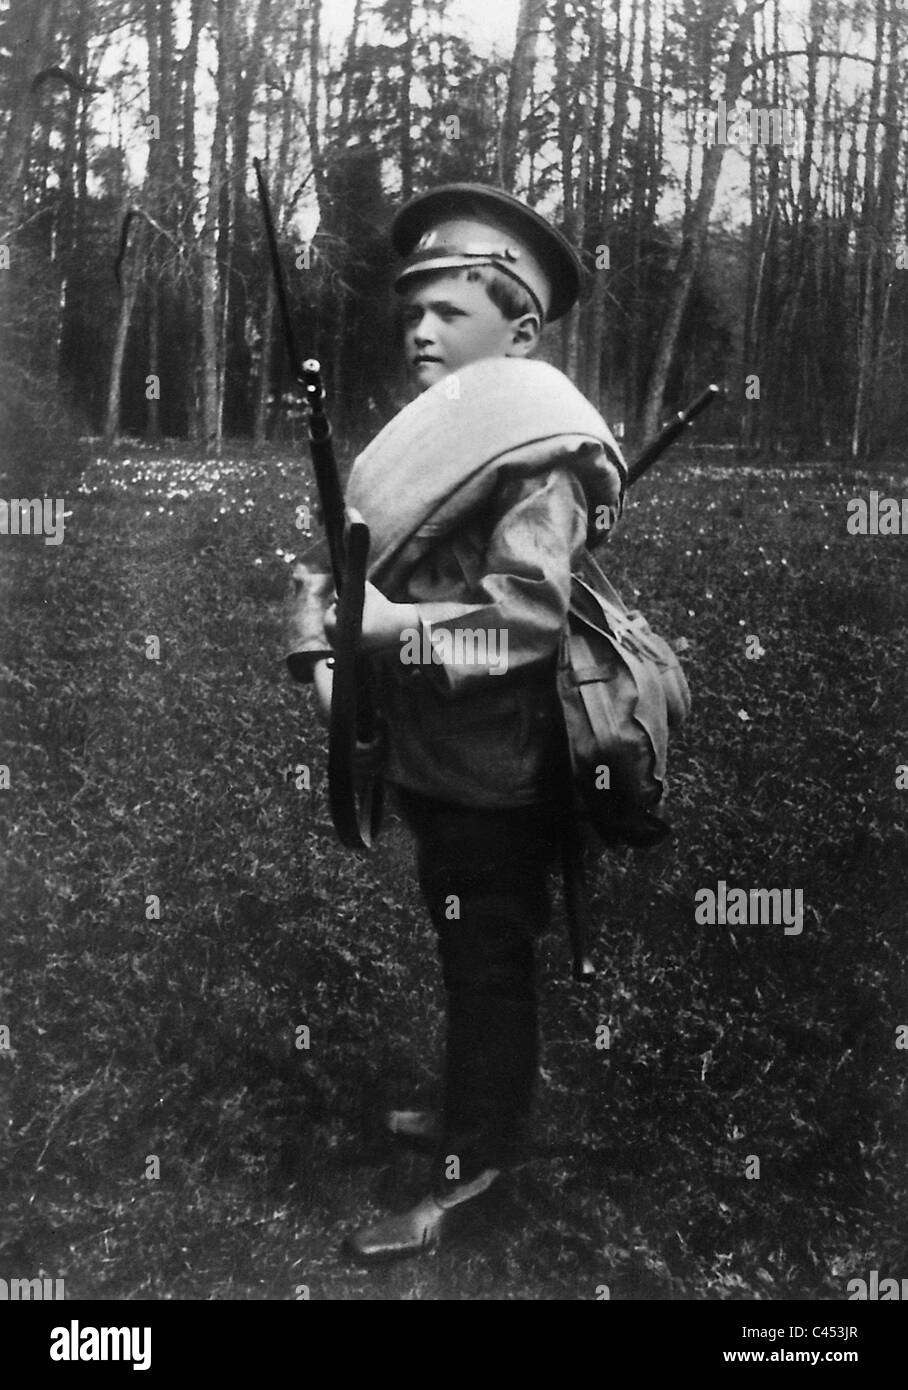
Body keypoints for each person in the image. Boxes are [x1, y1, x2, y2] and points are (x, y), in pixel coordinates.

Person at [286, 183, 626, 1262]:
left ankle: (475, 1169)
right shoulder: (435, 437)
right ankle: (464, 1113)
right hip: (439, 758)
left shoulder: (543, 448)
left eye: (449, 312)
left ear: (519, 331)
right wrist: (330, 619)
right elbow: (385, 569)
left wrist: (383, 630)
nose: (420, 331)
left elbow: (521, 627)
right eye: (412, 313)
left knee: (488, 964)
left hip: (504, 768)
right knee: (460, 942)